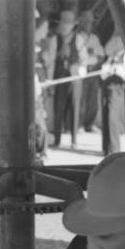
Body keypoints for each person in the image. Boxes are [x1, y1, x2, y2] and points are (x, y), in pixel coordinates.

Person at [43, 10, 82, 148]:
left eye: (68, 23)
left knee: (74, 108)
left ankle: (74, 140)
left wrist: (79, 68)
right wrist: (50, 81)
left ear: (72, 25)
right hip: (60, 78)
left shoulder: (79, 39)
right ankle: (58, 139)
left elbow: (85, 59)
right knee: (58, 109)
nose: (65, 26)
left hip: (75, 80)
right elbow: (51, 62)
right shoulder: (55, 40)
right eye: (63, 23)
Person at [99, 33, 125, 154]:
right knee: (106, 117)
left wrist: (118, 70)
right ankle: (106, 148)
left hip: (117, 90)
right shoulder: (112, 57)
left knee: (113, 119)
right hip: (107, 88)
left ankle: (115, 149)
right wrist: (106, 70)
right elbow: (103, 74)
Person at [75, 11, 105, 133]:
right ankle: (79, 124)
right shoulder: (78, 37)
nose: (89, 25)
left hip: (94, 71)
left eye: (91, 23)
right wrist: (92, 56)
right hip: (83, 71)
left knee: (93, 99)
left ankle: (90, 123)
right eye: (86, 22)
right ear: (82, 24)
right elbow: (81, 57)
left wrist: (92, 56)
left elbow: (101, 55)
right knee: (82, 98)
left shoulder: (94, 38)